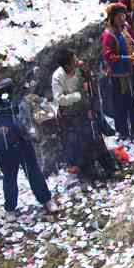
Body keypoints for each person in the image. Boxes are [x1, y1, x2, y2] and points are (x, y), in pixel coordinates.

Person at [0, 81, 59, 219]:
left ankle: (46, 200)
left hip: (22, 140)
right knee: (10, 180)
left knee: (34, 173)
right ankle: (10, 209)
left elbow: (8, 82)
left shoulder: (1, 99)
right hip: (5, 150)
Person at [51, 49, 116, 183]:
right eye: (74, 60)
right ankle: (90, 173)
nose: (77, 61)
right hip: (71, 115)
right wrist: (77, 96)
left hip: (87, 110)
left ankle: (109, 168)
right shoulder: (58, 77)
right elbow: (59, 99)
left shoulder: (81, 70)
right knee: (80, 145)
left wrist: (92, 104)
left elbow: (90, 87)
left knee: (97, 138)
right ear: (67, 65)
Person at [100, 2, 134, 138]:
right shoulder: (108, 35)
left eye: (123, 15)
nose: (122, 18)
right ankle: (123, 130)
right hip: (117, 74)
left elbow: (130, 41)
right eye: (118, 16)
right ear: (112, 18)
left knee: (132, 98)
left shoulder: (124, 29)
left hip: (129, 70)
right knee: (120, 102)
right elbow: (109, 56)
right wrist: (127, 58)